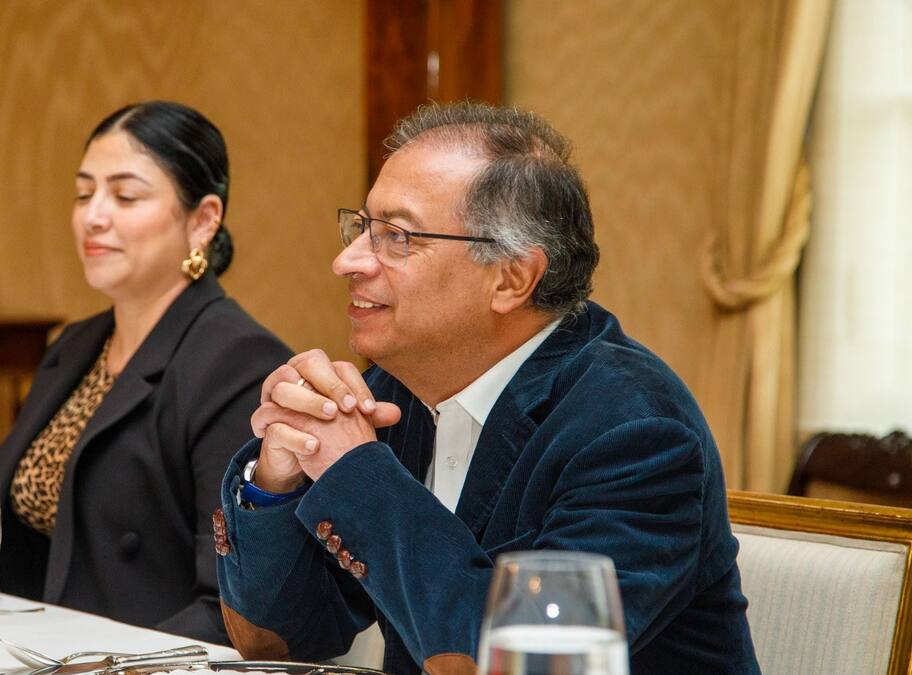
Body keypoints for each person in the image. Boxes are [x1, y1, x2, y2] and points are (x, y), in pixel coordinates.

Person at [213, 102, 760, 674]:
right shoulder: (397, 393)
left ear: (512, 278)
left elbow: (530, 664)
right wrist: (277, 479)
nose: (346, 260)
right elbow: (282, 642)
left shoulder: (635, 431)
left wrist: (356, 474)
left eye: (396, 236)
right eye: (362, 227)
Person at [0, 101, 291, 644]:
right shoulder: (74, 346)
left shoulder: (238, 362)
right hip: (36, 649)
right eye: (83, 193)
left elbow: (231, 607)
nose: (93, 216)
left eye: (125, 196)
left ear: (203, 220)